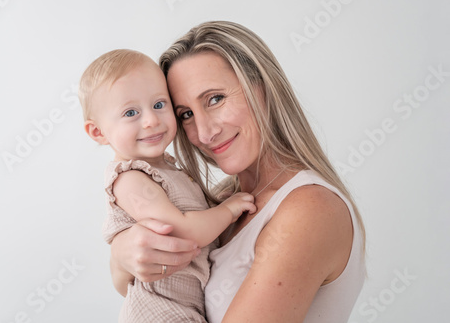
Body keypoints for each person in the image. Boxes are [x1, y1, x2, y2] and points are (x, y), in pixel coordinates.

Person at [109, 21, 367, 322]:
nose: (204, 132)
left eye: (215, 99)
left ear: (265, 89)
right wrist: (120, 258)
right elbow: (158, 296)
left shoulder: (309, 209)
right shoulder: (218, 205)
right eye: (186, 114)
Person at [78, 49, 257, 322]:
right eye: (131, 112)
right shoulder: (129, 178)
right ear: (98, 132)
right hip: (161, 311)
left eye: (159, 105)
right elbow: (183, 231)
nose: (151, 120)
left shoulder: (167, 169)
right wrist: (230, 209)